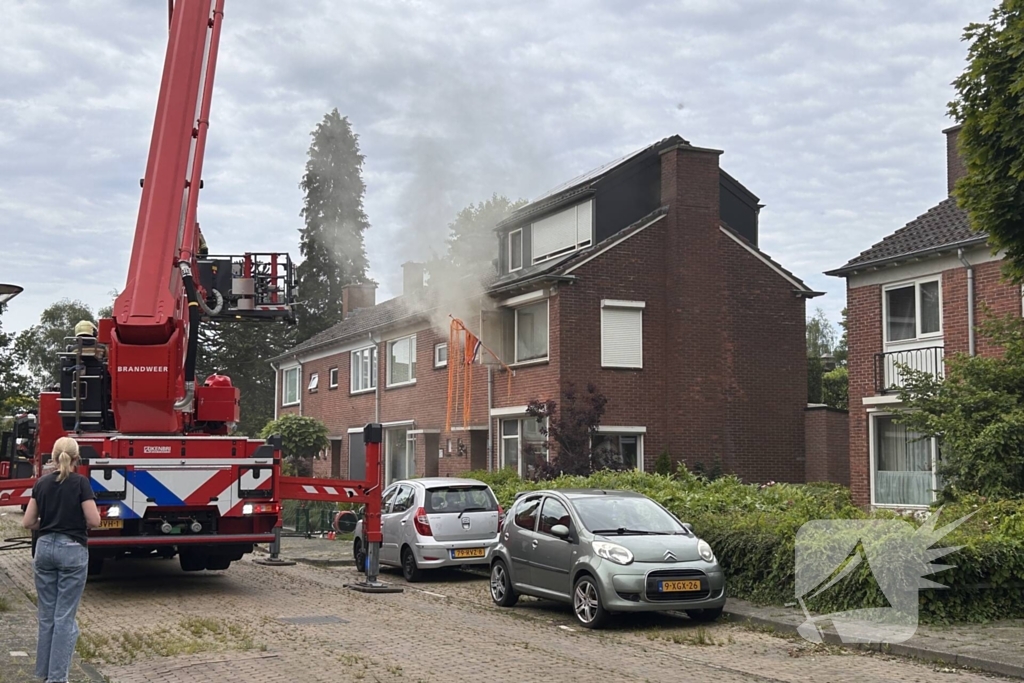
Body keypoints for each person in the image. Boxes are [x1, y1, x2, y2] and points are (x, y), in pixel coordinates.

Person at [21, 436, 100, 683]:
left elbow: (28, 522)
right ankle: (57, 679)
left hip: (44, 549)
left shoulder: (41, 483)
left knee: (47, 616)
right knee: (65, 617)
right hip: (72, 549)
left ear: (53, 457)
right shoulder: (81, 483)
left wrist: (49, 524)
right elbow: (94, 521)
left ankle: (44, 674)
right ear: (77, 458)